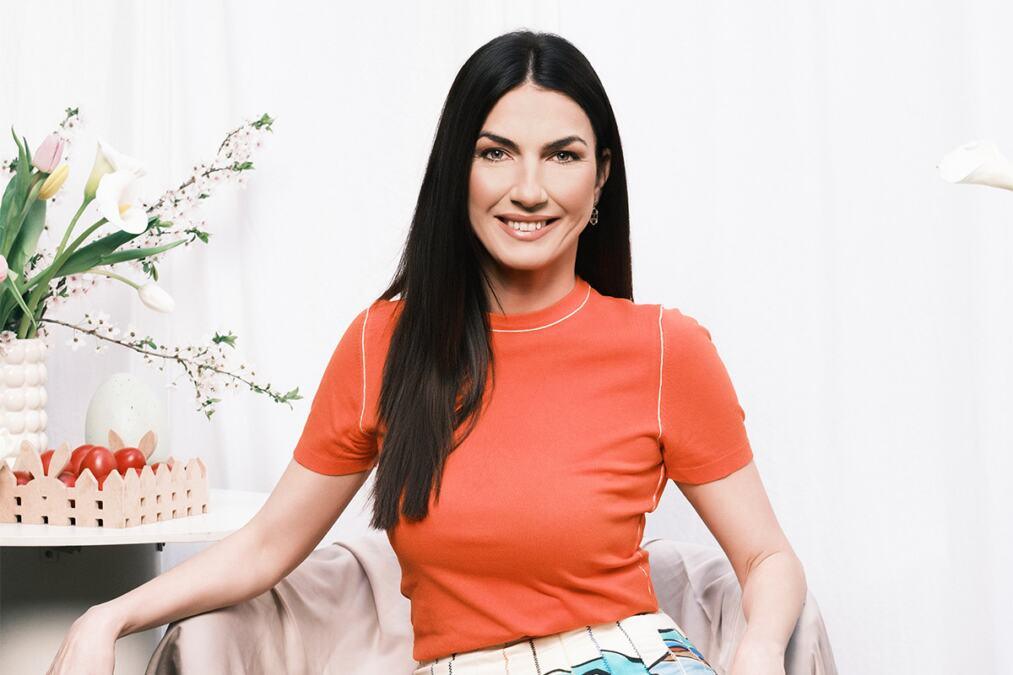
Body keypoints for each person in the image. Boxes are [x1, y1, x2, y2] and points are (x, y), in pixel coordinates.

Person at [47, 30, 807, 675]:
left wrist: (760, 647)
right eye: (496, 152)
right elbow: (268, 547)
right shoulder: (384, 345)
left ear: (601, 174)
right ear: (456, 170)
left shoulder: (665, 349)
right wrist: (107, 618)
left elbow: (767, 558)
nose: (529, 188)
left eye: (562, 155)